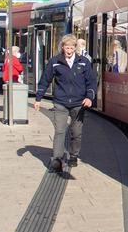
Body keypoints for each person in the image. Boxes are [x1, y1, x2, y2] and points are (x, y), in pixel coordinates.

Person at [34, 35, 97, 172]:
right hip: (61, 102)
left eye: (72, 47)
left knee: (76, 132)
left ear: (75, 48)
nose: (69, 50)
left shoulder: (84, 62)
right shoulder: (55, 62)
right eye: (66, 47)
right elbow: (45, 80)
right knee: (60, 130)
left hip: (78, 103)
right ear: (62, 47)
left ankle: (74, 155)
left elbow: (91, 81)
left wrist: (89, 97)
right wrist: (38, 98)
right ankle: (57, 159)